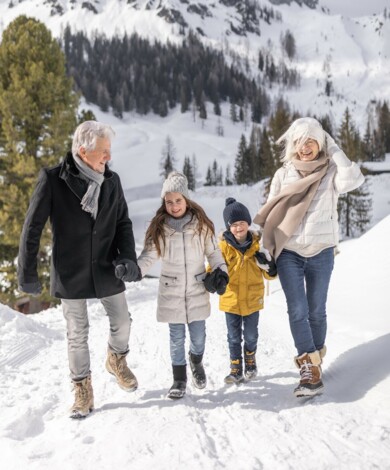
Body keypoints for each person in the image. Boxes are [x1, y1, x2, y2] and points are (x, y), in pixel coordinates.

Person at [18, 120, 140, 419]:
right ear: (83, 151)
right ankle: (82, 389)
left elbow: (123, 222)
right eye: (103, 151)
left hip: (107, 265)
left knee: (122, 322)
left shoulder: (111, 181)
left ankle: (116, 359)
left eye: (109, 151)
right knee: (77, 332)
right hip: (70, 268)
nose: (108, 157)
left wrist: (127, 258)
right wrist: (27, 273)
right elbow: (32, 228)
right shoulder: (53, 180)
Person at [254, 117, 364, 397]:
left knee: (316, 310)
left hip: (322, 250)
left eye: (311, 141)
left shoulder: (331, 172)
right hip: (290, 251)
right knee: (298, 310)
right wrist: (264, 245)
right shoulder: (284, 174)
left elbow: (354, 179)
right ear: (293, 145)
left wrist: (334, 147)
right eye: (300, 142)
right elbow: (272, 210)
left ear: (320, 142)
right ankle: (308, 365)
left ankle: (314, 361)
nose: (305, 148)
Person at [136, 171, 228, 399]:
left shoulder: (201, 226)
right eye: (169, 202)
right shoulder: (160, 229)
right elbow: (148, 256)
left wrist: (221, 272)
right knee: (176, 338)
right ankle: (179, 379)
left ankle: (196, 361)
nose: (174, 206)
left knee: (198, 336)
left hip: (197, 288)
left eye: (178, 200)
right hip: (171, 291)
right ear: (164, 203)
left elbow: (214, 253)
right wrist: (135, 270)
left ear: (186, 200)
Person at [218, 198, 277, 384]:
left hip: (252, 299)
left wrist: (270, 267)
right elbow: (215, 267)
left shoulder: (258, 246)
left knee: (251, 334)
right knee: (233, 336)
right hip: (231, 299)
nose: (238, 228)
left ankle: (250, 359)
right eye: (234, 225)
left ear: (248, 223)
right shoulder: (223, 247)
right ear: (229, 228)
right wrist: (214, 278)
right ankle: (236, 368)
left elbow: (269, 275)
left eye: (241, 223)